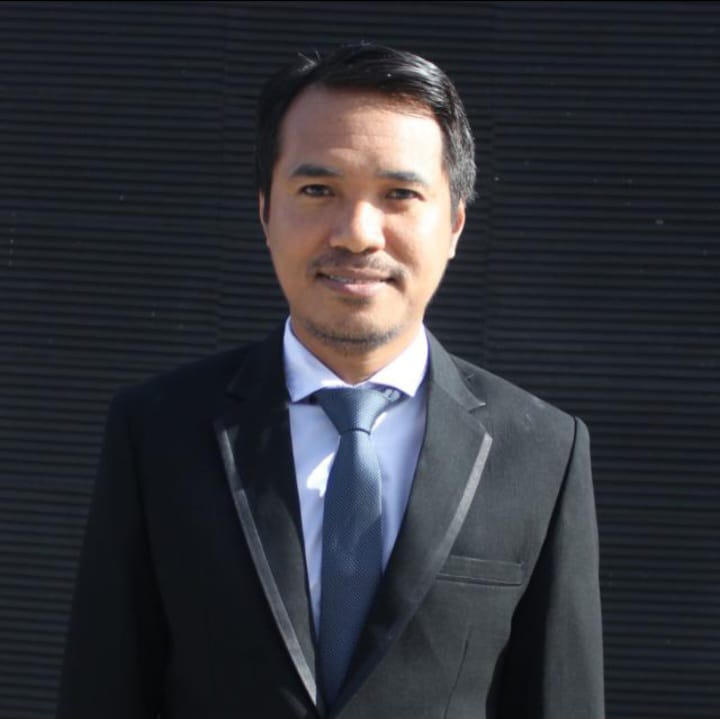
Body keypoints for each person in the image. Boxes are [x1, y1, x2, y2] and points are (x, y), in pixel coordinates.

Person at [57, 44, 604, 719]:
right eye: (318, 191)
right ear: (265, 211)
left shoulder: (544, 452)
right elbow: (103, 688)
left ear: (455, 224)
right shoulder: (158, 431)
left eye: (399, 195)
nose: (356, 234)